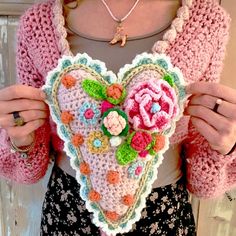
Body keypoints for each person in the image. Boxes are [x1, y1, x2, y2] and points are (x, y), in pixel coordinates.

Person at [0, 0, 236, 235]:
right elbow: (31, 165)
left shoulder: (206, 23)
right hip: (67, 213)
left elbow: (203, 184)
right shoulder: (38, 26)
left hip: (164, 216)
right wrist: (20, 138)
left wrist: (224, 147)